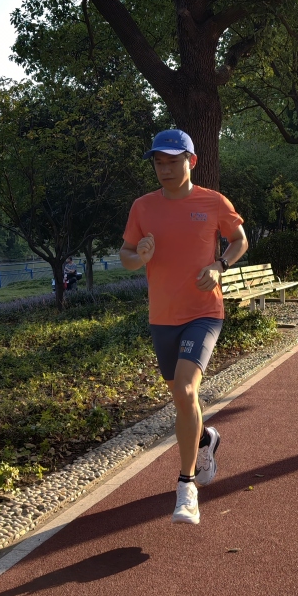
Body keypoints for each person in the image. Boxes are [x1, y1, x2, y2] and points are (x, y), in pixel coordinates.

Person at [120, 129, 248, 525]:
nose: (165, 169)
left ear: (191, 161)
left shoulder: (213, 202)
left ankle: (186, 487)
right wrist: (139, 257)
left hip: (204, 313)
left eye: (173, 161)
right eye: (158, 162)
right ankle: (206, 438)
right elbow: (126, 255)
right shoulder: (142, 207)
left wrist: (219, 265)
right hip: (162, 316)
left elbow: (239, 239)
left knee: (186, 389)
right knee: (181, 398)